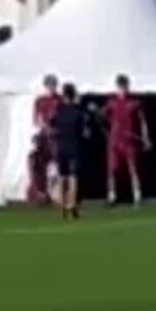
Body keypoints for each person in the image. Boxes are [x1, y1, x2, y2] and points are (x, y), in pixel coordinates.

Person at [103, 73, 151, 207]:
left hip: (130, 142)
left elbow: (143, 122)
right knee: (112, 170)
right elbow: (103, 116)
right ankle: (112, 196)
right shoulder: (111, 102)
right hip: (115, 141)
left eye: (124, 87)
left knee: (133, 169)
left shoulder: (135, 103)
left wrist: (145, 137)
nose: (122, 90)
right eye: (120, 87)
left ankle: (137, 196)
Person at [48, 82, 92, 220]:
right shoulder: (80, 113)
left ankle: (63, 205)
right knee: (73, 177)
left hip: (61, 147)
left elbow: (50, 129)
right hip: (75, 147)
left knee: (62, 177)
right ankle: (72, 204)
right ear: (73, 95)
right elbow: (86, 133)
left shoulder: (58, 112)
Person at [29, 74, 61, 207]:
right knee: (37, 163)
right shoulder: (39, 100)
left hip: (57, 137)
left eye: (53, 85)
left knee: (59, 165)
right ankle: (42, 193)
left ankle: (56, 193)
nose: (51, 88)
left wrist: (55, 127)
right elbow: (35, 120)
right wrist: (43, 125)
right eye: (49, 85)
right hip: (44, 137)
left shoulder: (60, 100)